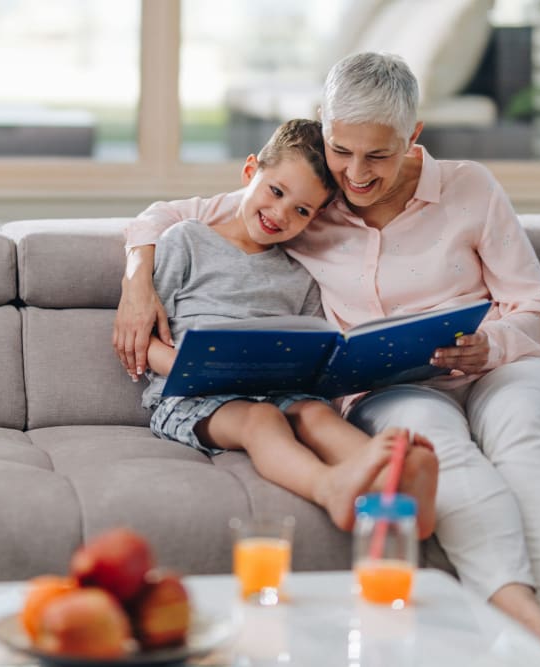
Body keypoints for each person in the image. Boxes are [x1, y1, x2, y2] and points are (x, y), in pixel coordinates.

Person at [114, 54, 540, 663]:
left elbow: (539, 309)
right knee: (437, 451)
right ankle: (533, 631)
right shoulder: (310, 200)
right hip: (400, 388)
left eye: (379, 156)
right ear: (324, 125)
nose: (357, 174)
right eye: (342, 149)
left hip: (504, 367)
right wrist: (136, 279)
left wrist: (489, 345)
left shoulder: (470, 187)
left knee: (523, 431)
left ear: (413, 137)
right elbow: (177, 217)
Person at [138, 118, 438, 534]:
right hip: (191, 394)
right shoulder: (186, 240)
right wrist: (191, 367)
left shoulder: (299, 272)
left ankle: (396, 479)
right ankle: (329, 488)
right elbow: (145, 339)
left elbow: (315, 348)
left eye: (301, 210)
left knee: (315, 413)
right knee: (262, 419)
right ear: (250, 172)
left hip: (276, 389)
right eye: (275, 191)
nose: (280, 214)